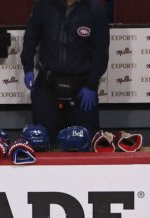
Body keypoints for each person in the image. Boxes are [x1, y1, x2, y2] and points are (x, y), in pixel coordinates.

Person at [21, 0, 108, 139]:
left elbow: (100, 53)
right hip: (47, 84)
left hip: (82, 88)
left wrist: (91, 86)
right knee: (41, 141)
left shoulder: (96, 10)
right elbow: (30, 39)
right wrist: (28, 69)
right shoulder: (43, 6)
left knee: (86, 142)